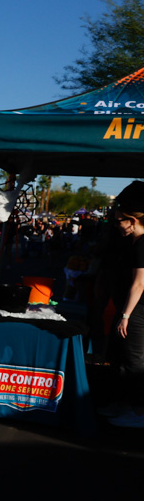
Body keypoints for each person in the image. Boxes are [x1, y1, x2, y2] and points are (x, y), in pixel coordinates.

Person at [100, 182, 144, 427]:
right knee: (122, 359)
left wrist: (126, 314)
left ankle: (138, 412)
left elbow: (139, 284)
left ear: (132, 221)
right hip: (131, 309)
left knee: (134, 361)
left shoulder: (142, 244)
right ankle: (125, 406)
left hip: (137, 311)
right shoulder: (135, 243)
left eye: (119, 222)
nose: (116, 226)